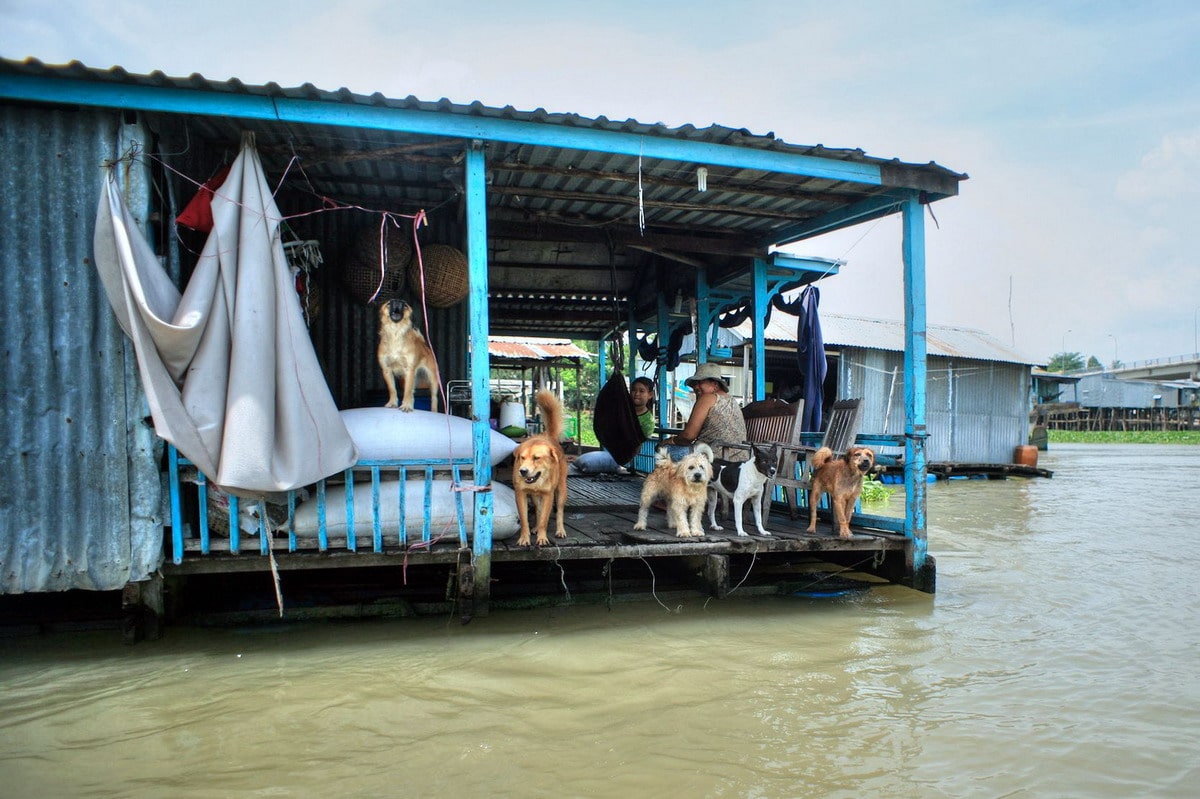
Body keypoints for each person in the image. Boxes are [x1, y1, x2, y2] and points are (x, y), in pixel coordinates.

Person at [666, 362, 749, 462]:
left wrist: (670, 441)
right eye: (694, 384)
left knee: (663, 450)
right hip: (740, 459)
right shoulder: (732, 400)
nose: (695, 387)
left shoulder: (707, 398)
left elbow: (688, 436)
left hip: (713, 457)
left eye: (700, 382)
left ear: (715, 384)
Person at [629, 376, 657, 441]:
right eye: (633, 390)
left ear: (650, 395)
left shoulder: (648, 422)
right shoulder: (623, 410)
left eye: (641, 391)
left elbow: (636, 442)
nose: (637, 393)